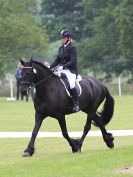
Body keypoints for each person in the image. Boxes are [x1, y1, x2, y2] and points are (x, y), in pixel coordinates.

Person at [50, 29, 80, 112]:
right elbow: (57, 60)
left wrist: (62, 66)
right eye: (61, 38)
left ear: (68, 38)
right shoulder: (60, 48)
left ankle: (76, 104)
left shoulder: (73, 48)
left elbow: (73, 61)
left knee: (71, 85)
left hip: (71, 71)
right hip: (62, 71)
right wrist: (49, 67)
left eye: (63, 38)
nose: (62, 39)